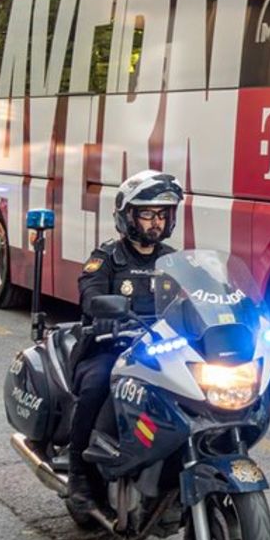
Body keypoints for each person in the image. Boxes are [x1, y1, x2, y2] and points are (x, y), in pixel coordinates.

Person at [67, 170, 183, 513]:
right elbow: (89, 291)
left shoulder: (172, 261)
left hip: (156, 352)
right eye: (147, 214)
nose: (155, 223)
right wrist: (103, 311)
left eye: (162, 215)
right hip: (109, 348)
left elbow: (199, 295)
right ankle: (80, 476)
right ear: (127, 215)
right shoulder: (107, 257)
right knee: (96, 386)